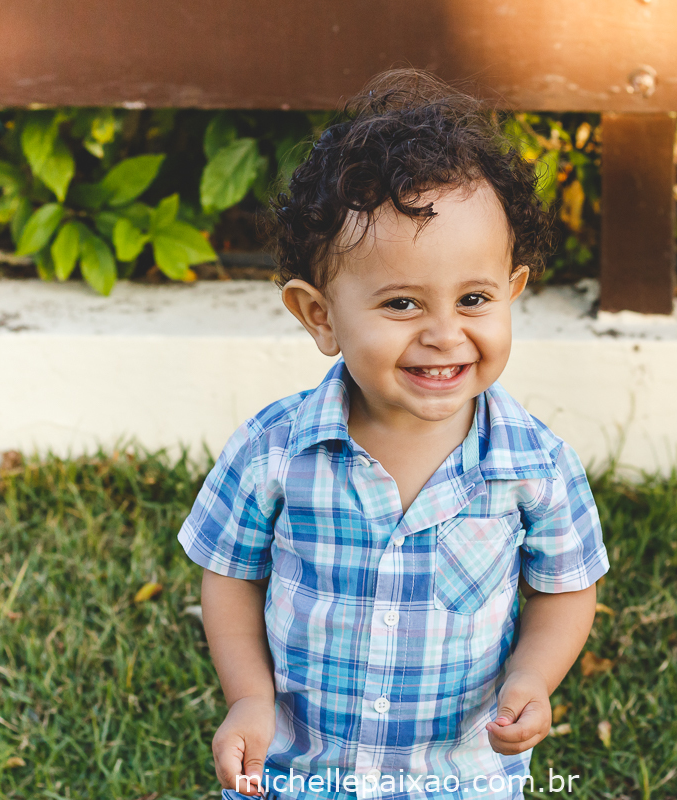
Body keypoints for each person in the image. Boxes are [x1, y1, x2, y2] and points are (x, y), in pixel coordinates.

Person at [178, 69, 610, 800]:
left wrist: (533, 678)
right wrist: (249, 697)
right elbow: (229, 574)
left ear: (512, 292)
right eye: (402, 302)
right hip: (298, 772)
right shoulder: (276, 449)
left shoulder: (534, 464)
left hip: (461, 777)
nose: (445, 334)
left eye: (474, 298)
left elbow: (566, 590)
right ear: (320, 316)